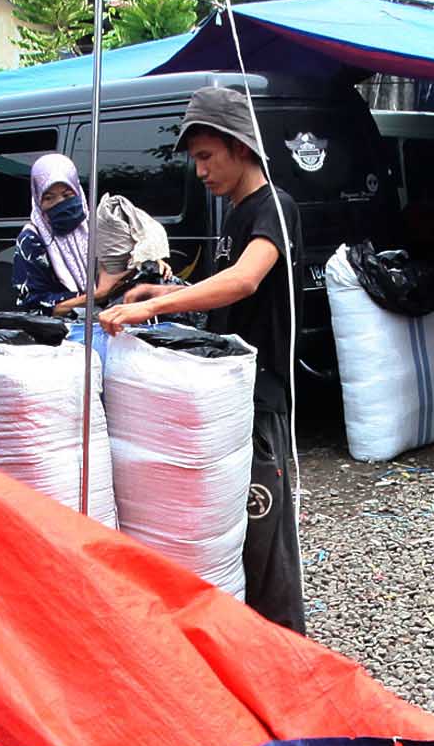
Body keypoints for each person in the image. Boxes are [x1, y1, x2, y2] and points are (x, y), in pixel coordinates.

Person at [99, 84, 304, 629]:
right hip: (225, 402)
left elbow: (243, 280)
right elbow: (218, 291)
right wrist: (159, 297)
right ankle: (241, 641)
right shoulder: (234, 215)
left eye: (207, 157)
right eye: (195, 160)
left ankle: (287, 654)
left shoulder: (274, 209)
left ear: (241, 148)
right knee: (223, 532)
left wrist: (146, 312)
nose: (200, 172)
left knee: (266, 539)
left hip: (260, 401)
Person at [8, 153, 135, 315]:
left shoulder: (100, 227)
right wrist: (98, 295)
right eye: (49, 198)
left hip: (113, 322)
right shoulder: (31, 241)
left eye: (67, 195)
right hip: (60, 334)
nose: (60, 203)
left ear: (79, 192)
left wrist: (152, 261)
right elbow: (34, 308)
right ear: (37, 200)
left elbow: (129, 259)